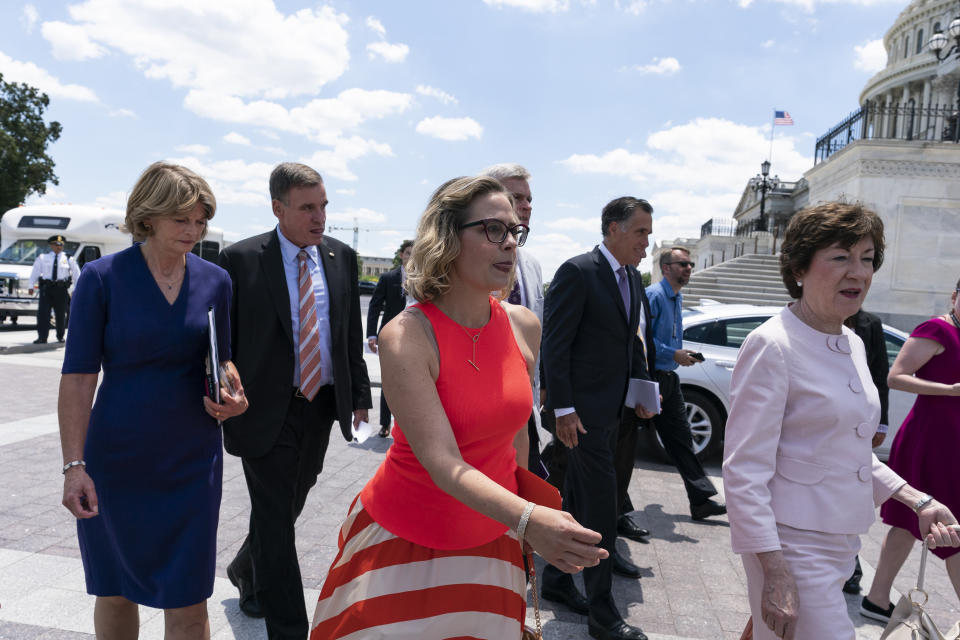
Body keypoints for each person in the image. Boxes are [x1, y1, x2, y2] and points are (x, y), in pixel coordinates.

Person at [309, 175, 606, 639]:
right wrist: (529, 520)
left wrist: (522, 529)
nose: (510, 243)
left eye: (514, 231)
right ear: (447, 237)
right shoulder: (406, 335)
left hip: (495, 537)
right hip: (404, 539)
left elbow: (518, 437)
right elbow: (443, 462)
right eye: (493, 229)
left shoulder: (523, 325)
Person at [722, 202, 960, 640]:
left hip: (841, 543)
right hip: (791, 545)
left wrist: (919, 501)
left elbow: (848, 452)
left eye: (867, 259)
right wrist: (772, 569)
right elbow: (742, 471)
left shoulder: (850, 341)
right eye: (840, 257)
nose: (859, 273)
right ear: (798, 267)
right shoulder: (772, 345)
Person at [58, 162, 248, 639]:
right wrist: (73, 466)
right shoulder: (101, 278)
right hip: (116, 459)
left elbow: (221, 361)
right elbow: (79, 377)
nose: (194, 230)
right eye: (181, 219)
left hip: (191, 459)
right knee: (116, 589)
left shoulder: (216, 282)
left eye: (200, 219)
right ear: (148, 215)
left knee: (189, 597)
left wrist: (234, 396)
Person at [218, 162, 371, 640]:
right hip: (262, 407)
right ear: (278, 208)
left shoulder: (341, 256)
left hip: (321, 403)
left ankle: (247, 567)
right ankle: (288, 628)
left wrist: (360, 396)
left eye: (323, 206)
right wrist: (223, 381)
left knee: (290, 500)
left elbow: (348, 333)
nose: (319, 216)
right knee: (275, 514)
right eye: (307, 207)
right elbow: (223, 340)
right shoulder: (240, 259)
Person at [541, 196, 657, 640]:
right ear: (613, 229)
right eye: (640, 231)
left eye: (649, 232)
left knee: (573, 500)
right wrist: (563, 409)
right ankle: (603, 615)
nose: (647, 242)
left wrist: (644, 392)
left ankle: (555, 581)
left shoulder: (631, 277)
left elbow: (632, 344)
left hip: (614, 414)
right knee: (601, 509)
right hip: (582, 417)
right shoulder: (578, 272)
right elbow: (556, 344)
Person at [862, 277, 960, 622]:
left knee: (907, 522)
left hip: (952, 443)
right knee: (952, 526)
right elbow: (896, 377)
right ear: (954, 296)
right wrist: (950, 390)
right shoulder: (936, 330)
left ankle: (875, 599)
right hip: (930, 442)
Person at [645, 247, 726, 521]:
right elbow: (641, 340)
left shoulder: (677, 298)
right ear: (666, 267)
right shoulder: (654, 296)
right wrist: (672, 354)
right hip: (649, 378)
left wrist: (680, 356)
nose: (689, 268)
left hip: (669, 379)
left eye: (690, 264)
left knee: (682, 440)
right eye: (682, 264)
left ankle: (700, 499)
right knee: (623, 444)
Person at [481, 163, 549, 477]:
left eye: (529, 199)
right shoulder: (464, 261)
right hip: (479, 408)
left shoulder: (532, 266)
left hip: (522, 408)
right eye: (516, 196)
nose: (526, 206)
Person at [841, 307, 890, 595]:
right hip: (831, 419)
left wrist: (881, 423)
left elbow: (881, 374)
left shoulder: (870, 324)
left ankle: (852, 569)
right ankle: (849, 567)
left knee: (851, 493)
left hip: (860, 421)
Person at [366, 239, 413, 437]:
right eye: (408, 253)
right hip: (389, 336)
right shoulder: (387, 278)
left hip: (414, 337)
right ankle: (385, 424)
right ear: (402, 255)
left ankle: (407, 428)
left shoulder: (425, 278)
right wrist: (371, 334)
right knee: (389, 380)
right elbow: (375, 306)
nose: (412, 257)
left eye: (415, 253)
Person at [28, 234, 79, 344]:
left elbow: (76, 275)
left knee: (61, 314)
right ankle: (42, 337)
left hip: (61, 290)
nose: (58, 247)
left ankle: (60, 336)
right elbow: (35, 272)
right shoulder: (43, 258)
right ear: (51, 245)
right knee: (43, 314)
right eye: (56, 245)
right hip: (46, 289)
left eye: (60, 245)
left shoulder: (69, 258)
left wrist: (76, 289)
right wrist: (30, 286)